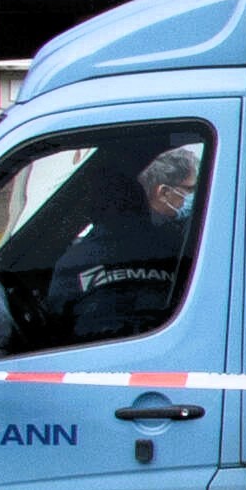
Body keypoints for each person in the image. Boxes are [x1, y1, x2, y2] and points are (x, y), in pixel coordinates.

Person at [57, 136, 207, 346]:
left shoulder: (73, 262)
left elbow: (56, 321)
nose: (195, 198)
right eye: (190, 190)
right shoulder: (176, 251)